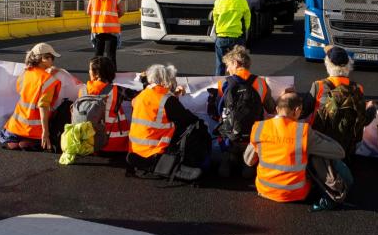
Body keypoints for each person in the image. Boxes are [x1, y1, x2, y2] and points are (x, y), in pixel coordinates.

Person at [244, 91, 346, 206]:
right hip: (295, 193)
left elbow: (248, 161)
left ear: (277, 109)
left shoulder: (260, 127)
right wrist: (314, 133)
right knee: (316, 154)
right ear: (297, 110)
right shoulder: (303, 132)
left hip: (264, 189)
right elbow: (339, 152)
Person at [212, 44, 276, 177]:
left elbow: (218, 110)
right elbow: (271, 108)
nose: (227, 69)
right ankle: (248, 164)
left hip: (230, 137)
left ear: (236, 63)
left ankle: (226, 161)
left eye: (228, 65)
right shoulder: (261, 83)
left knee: (222, 124)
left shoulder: (224, 84)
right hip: (253, 138)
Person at [126, 64, 200, 175]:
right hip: (153, 150)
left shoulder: (142, 95)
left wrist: (173, 96)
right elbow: (187, 118)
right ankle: (158, 163)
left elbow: (152, 107)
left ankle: (142, 160)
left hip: (134, 148)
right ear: (166, 80)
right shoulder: (167, 100)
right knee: (193, 127)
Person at [0, 43, 63, 151]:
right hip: (34, 128)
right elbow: (43, 106)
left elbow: (20, 89)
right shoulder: (48, 80)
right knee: (41, 140)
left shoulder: (25, 73)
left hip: (17, 125)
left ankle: (15, 141)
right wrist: (45, 133)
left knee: (12, 139)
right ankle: (30, 142)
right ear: (44, 59)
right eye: (52, 58)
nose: (53, 61)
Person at [78, 56, 137, 153]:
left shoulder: (83, 90)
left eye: (89, 69)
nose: (89, 72)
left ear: (96, 74)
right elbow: (139, 95)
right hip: (114, 143)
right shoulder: (117, 90)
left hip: (88, 143)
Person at [212, 0, 251, 76]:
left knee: (220, 65)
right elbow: (247, 17)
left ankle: (219, 88)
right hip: (237, 37)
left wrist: (218, 28)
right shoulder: (242, 1)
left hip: (222, 37)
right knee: (238, 65)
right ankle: (238, 86)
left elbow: (215, 17)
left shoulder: (218, 1)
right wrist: (245, 28)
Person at [87, 0, 123, 67]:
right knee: (111, 56)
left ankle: (96, 75)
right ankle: (111, 78)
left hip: (97, 30)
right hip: (112, 30)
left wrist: (98, 18)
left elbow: (88, 11)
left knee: (98, 56)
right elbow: (121, 12)